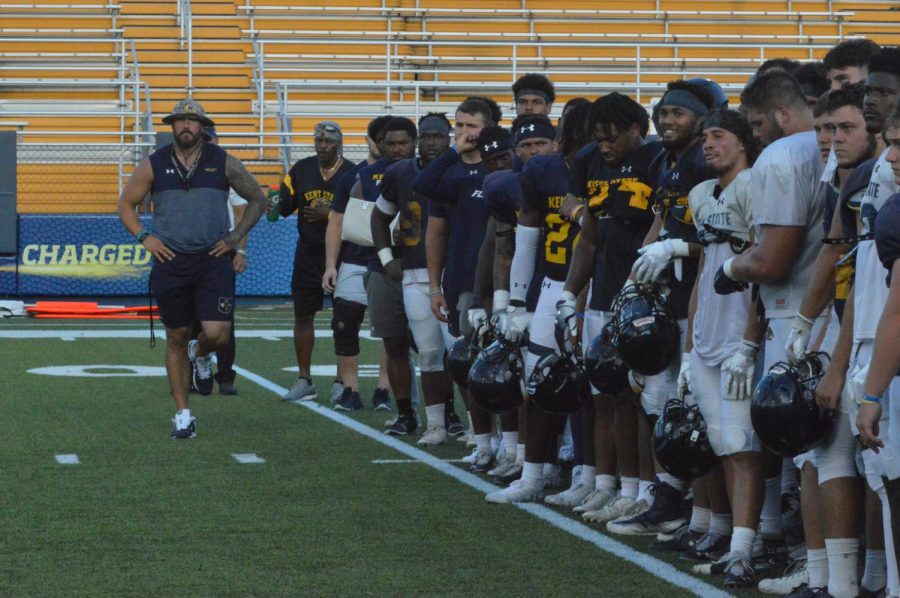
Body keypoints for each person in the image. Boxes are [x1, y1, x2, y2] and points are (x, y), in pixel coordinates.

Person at [116, 98, 266, 438]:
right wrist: (144, 237)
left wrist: (236, 238)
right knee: (175, 337)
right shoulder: (154, 163)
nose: (185, 126)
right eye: (180, 121)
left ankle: (201, 353)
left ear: (202, 127)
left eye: (192, 121)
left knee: (217, 334)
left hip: (213, 258)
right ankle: (183, 413)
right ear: (172, 126)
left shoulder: (223, 161)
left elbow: (257, 198)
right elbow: (125, 204)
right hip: (171, 260)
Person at [684, 109, 763, 587]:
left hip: (739, 335)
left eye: (718, 136)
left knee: (742, 445)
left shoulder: (754, 186)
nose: (708, 145)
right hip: (708, 336)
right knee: (721, 443)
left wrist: (751, 342)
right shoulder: (699, 194)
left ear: (742, 141)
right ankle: (737, 541)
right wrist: (690, 343)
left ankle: (743, 550)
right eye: (704, 138)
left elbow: (764, 265)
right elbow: (703, 272)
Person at [372, 112, 467, 444]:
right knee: (427, 353)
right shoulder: (400, 173)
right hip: (414, 272)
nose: (431, 142)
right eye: (425, 135)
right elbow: (379, 217)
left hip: (453, 274)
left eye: (438, 136)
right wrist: (387, 259)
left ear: (448, 137)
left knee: (459, 352)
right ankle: (436, 425)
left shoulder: (462, 171)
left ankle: (473, 428)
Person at [415, 97, 495, 471]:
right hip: (461, 281)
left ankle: (511, 445)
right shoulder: (449, 173)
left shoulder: (500, 166)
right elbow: (434, 227)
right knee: (468, 363)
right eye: (459, 125)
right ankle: (483, 440)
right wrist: (435, 285)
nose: (464, 133)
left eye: (472, 126)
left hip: (502, 283)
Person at [279, 121, 356, 402]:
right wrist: (272, 200)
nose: (323, 145)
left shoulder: (352, 172)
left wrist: (330, 216)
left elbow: (363, 216)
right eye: (319, 140)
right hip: (308, 253)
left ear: (339, 144)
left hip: (343, 254)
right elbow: (280, 209)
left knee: (343, 319)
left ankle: (341, 379)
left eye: (329, 141)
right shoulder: (301, 169)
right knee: (302, 315)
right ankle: (304, 378)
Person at [323, 115, 392, 406]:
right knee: (345, 320)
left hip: (392, 260)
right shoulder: (353, 176)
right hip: (355, 256)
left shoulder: (407, 172)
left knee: (391, 327)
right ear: (369, 141)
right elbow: (336, 222)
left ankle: (384, 389)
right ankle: (350, 389)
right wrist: (330, 265)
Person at [188, 125, 248, 396]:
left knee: (224, 317)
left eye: (211, 140)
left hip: (222, 248)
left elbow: (240, 213)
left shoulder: (226, 166)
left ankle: (225, 375)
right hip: (190, 250)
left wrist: (241, 250)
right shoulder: (182, 168)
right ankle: (192, 372)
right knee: (189, 317)